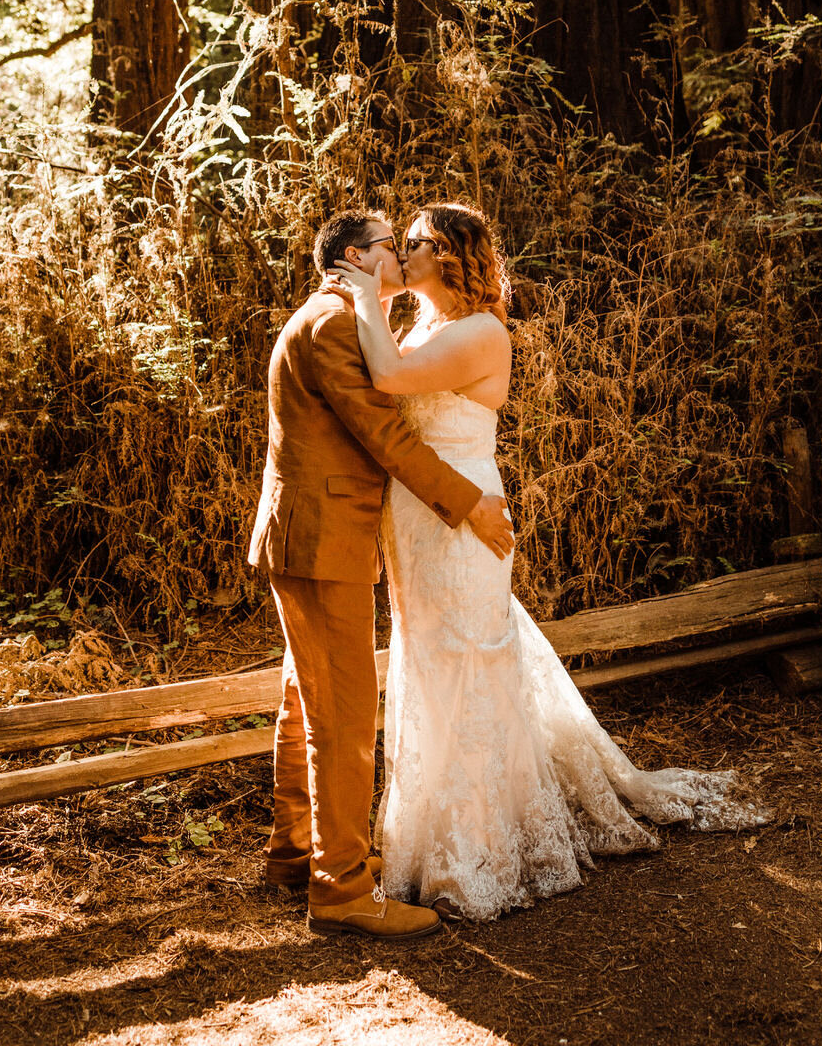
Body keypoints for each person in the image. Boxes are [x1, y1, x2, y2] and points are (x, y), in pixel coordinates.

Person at [330, 201, 769, 922]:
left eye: (409, 244)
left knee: (469, 659)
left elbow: (386, 378)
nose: (397, 255)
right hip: (415, 516)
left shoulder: (476, 332)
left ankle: (485, 845)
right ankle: (430, 831)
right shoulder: (428, 323)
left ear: (445, 253)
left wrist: (359, 296)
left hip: (465, 513)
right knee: (429, 657)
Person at [247, 208, 514, 942]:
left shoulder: (337, 315)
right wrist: (469, 506)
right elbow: (385, 432)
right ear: (360, 258)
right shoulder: (333, 323)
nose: (403, 255)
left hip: (312, 537)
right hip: (321, 540)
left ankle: (297, 853)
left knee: (308, 704)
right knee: (343, 724)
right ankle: (342, 893)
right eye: (393, 245)